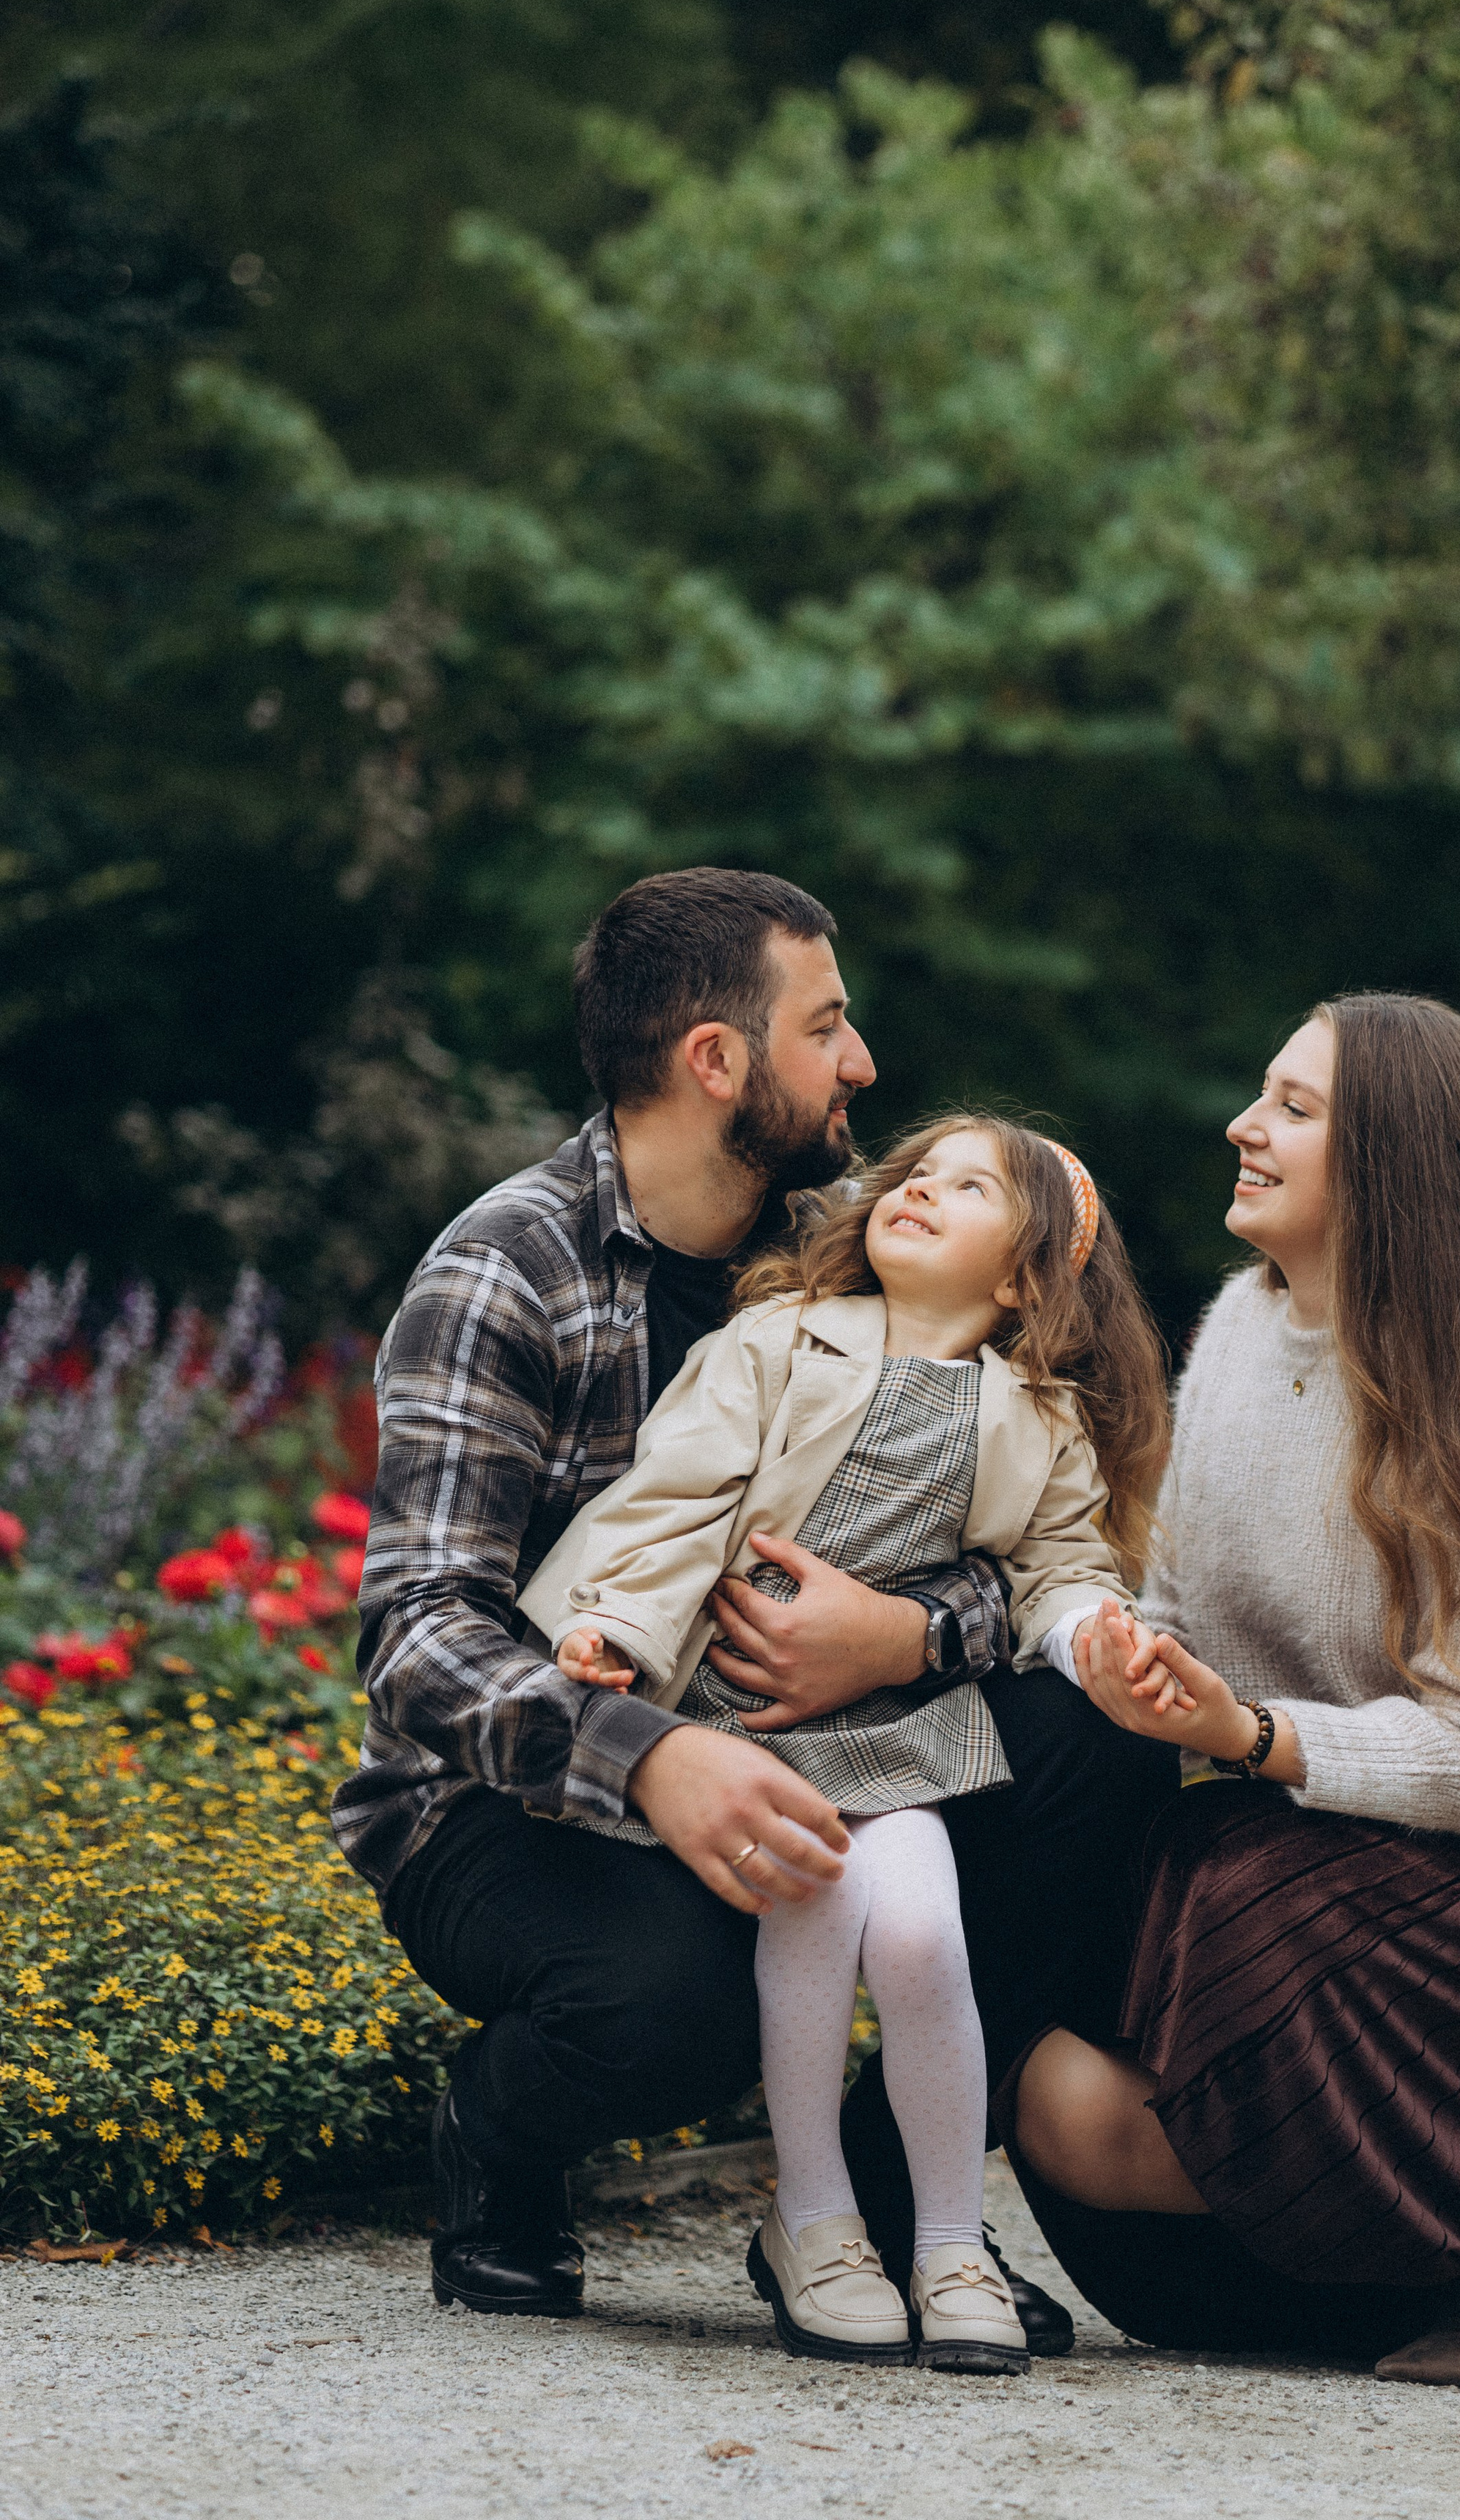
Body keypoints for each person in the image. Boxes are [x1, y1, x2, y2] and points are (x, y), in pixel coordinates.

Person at [331, 866, 1174, 2327]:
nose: (861, 1066)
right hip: (517, 1803)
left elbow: (1029, 1508)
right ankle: (497, 2133)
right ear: (716, 1061)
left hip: (845, 1740)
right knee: (685, 2008)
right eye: (825, 1026)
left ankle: (890, 2223)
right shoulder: (503, 1275)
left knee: (1098, 1742)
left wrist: (904, 1633)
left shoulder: (862, 1245)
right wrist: (652, 1757)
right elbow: (417, 1636)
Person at [1003, 992, 1460, 2390]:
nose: (1245, 1123)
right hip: (1315, 1841)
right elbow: (1177, 1619)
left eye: (1293, 1105)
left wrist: (1248, 1733)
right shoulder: (1238, 1328)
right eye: (1259, 1091)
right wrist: (1107, 1655)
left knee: (1223, 1890)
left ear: (1393, 1163)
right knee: (1069, 2103)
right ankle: (1454, 2252)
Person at [523, 1113, 1168, 2372]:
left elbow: (1060, 1567)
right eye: (914, 1173)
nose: (918, 1188)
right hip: (741, 1721)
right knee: (812, 1916)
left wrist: (1096, 1631)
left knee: (927, 1935)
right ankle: (814, 2220)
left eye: (968, 1187)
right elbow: (675, 1498)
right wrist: (616, 1627)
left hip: (892, 1736)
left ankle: (944, 2240)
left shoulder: (1037, 1414)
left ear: (1028, 1273)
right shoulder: (774, 1342)